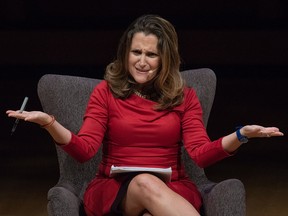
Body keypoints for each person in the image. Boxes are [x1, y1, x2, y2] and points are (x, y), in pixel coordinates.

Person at [6, 14, 284, 216]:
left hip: (174, 188)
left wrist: (241, 135)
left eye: (151, 54)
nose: (141, 61)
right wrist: (49, 123)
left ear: (165, 59)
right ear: (125, 54)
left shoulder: (184, 96)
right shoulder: (105, 93)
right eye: (136, 52)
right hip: (113, 190)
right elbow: (85, 149)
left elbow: (200, 153)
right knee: (143, 181)